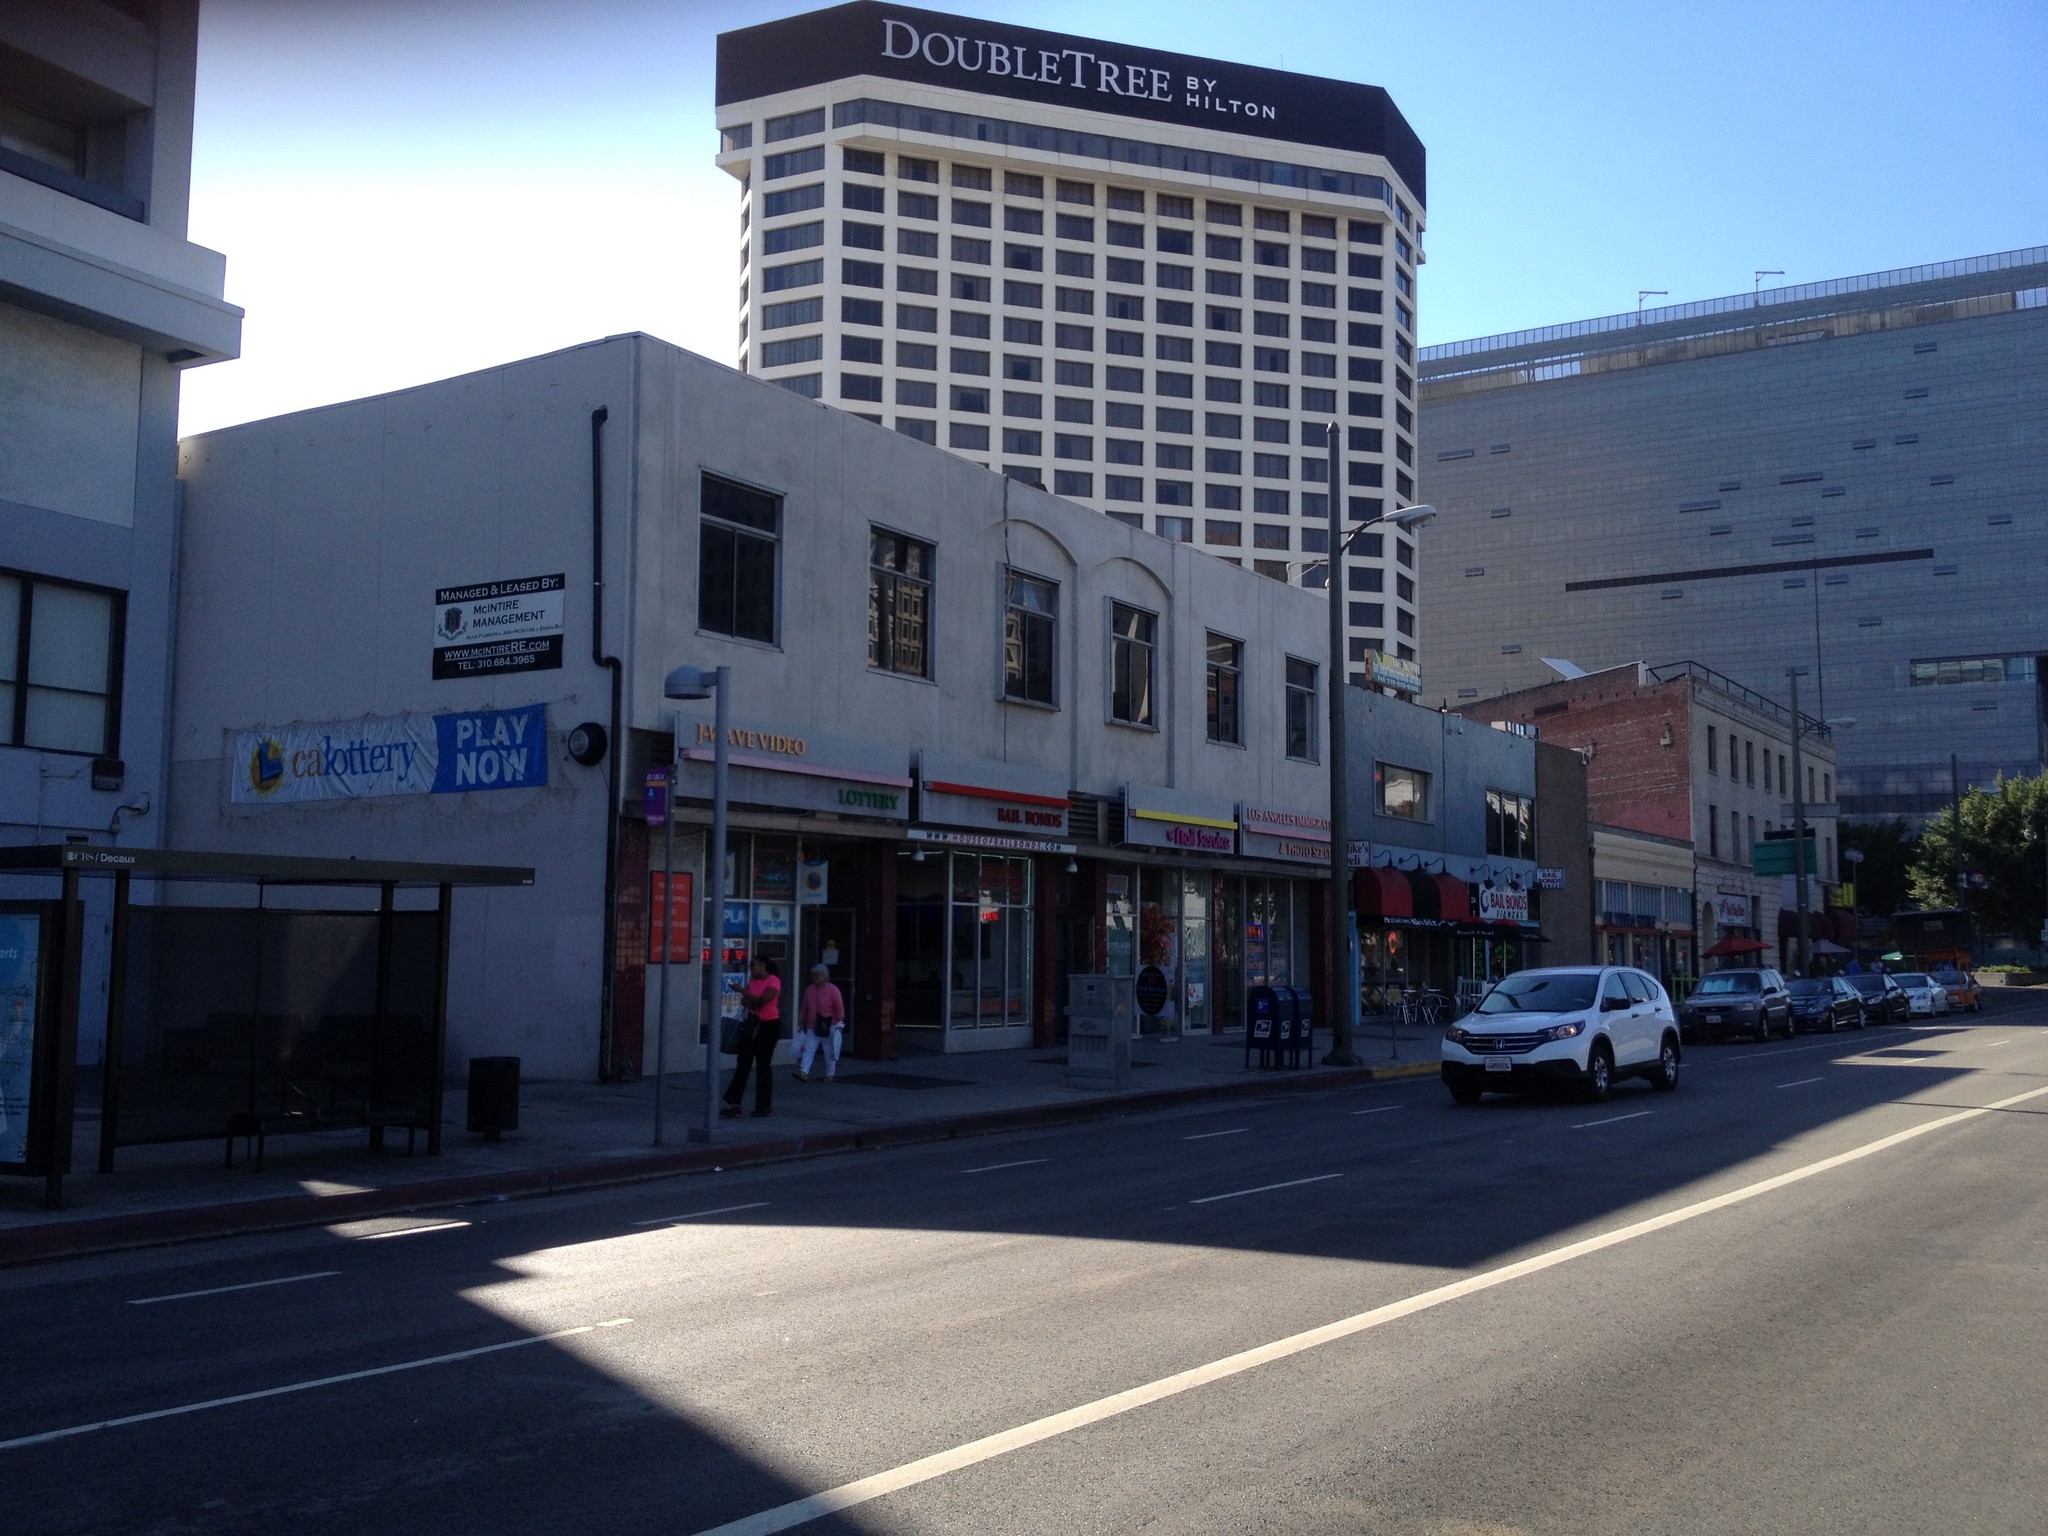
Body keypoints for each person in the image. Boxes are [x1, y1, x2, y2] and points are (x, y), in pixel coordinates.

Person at [722, 957, 784, 1118]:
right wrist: (747, 996)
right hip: (751, 1024)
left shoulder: (773, 981)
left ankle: (764, 1106)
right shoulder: (753, 982)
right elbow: (745, 1002)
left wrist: (742, 990)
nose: (751, 968)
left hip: (768, 1026)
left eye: (753, 965)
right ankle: (734, 1104)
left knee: (763, 1065)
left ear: (763, 966)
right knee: (743, 1064)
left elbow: (761, 1001)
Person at [796, 963, 847, 1081]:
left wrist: (840, 1021)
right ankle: (803, 1071)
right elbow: (805, 1006)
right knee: (809, 1048)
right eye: (813, 975)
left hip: (829, 1024)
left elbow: (839, 1007)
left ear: (825, 975)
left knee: (828, 1050)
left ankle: (830, 1074)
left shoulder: (833, 990)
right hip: (812, 1025)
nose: (815, 977)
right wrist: (801, 1018)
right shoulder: (810, 989)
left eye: (817, 975)